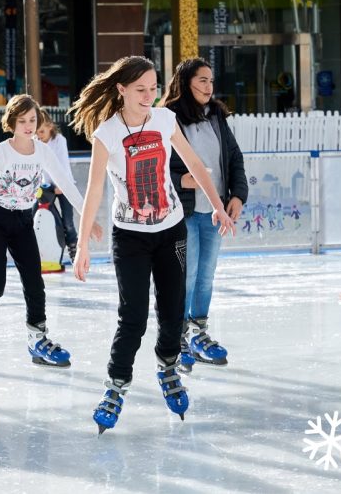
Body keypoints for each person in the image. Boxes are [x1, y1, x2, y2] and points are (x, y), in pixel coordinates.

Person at [69, 56, 235, 433]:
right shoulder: (106, 135)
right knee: (133, 318)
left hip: (171, 229)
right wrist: (81, 245)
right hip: (129, 237)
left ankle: (168, 367)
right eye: (140, 89)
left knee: (173, 312)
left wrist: (219, 208)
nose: (149, 96)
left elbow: (194, 164)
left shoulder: (164, 120)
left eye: (153, 88)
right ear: (122, 90)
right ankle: (116, 386)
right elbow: (94, 190)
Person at [0, 94, 100, 369]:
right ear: (12, 123)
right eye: (22, 120)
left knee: (35, 282)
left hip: (23, 219)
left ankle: (37, 338)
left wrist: (88, 215)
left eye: (32, 120)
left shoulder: (43, 151)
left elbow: (66, 185)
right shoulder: (2, 151)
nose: (28, 125)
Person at [162, 57, 249, 372]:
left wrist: (238, 195)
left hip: (215, 211)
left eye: (211, 80)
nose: (208, 86)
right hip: (184, 211)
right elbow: (155, 164)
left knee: (206, 276)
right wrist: (180, 181)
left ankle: (199, 332)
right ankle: (179, 335)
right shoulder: (168, 117)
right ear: (186, 82)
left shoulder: (216, 117)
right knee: (186, 277)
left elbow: (234, 157)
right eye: (201, 80)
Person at [35, 109, 79, 261]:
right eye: (37, 132)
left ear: (50, 127)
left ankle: (74, 249)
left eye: (41, 131)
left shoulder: (59, 140)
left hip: (63, 185)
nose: (39, 135)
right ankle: (41, 252)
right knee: (38, 218)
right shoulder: (35, 143)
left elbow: (63, 164)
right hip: (46, 188)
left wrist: (61, 186)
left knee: (68, 222)